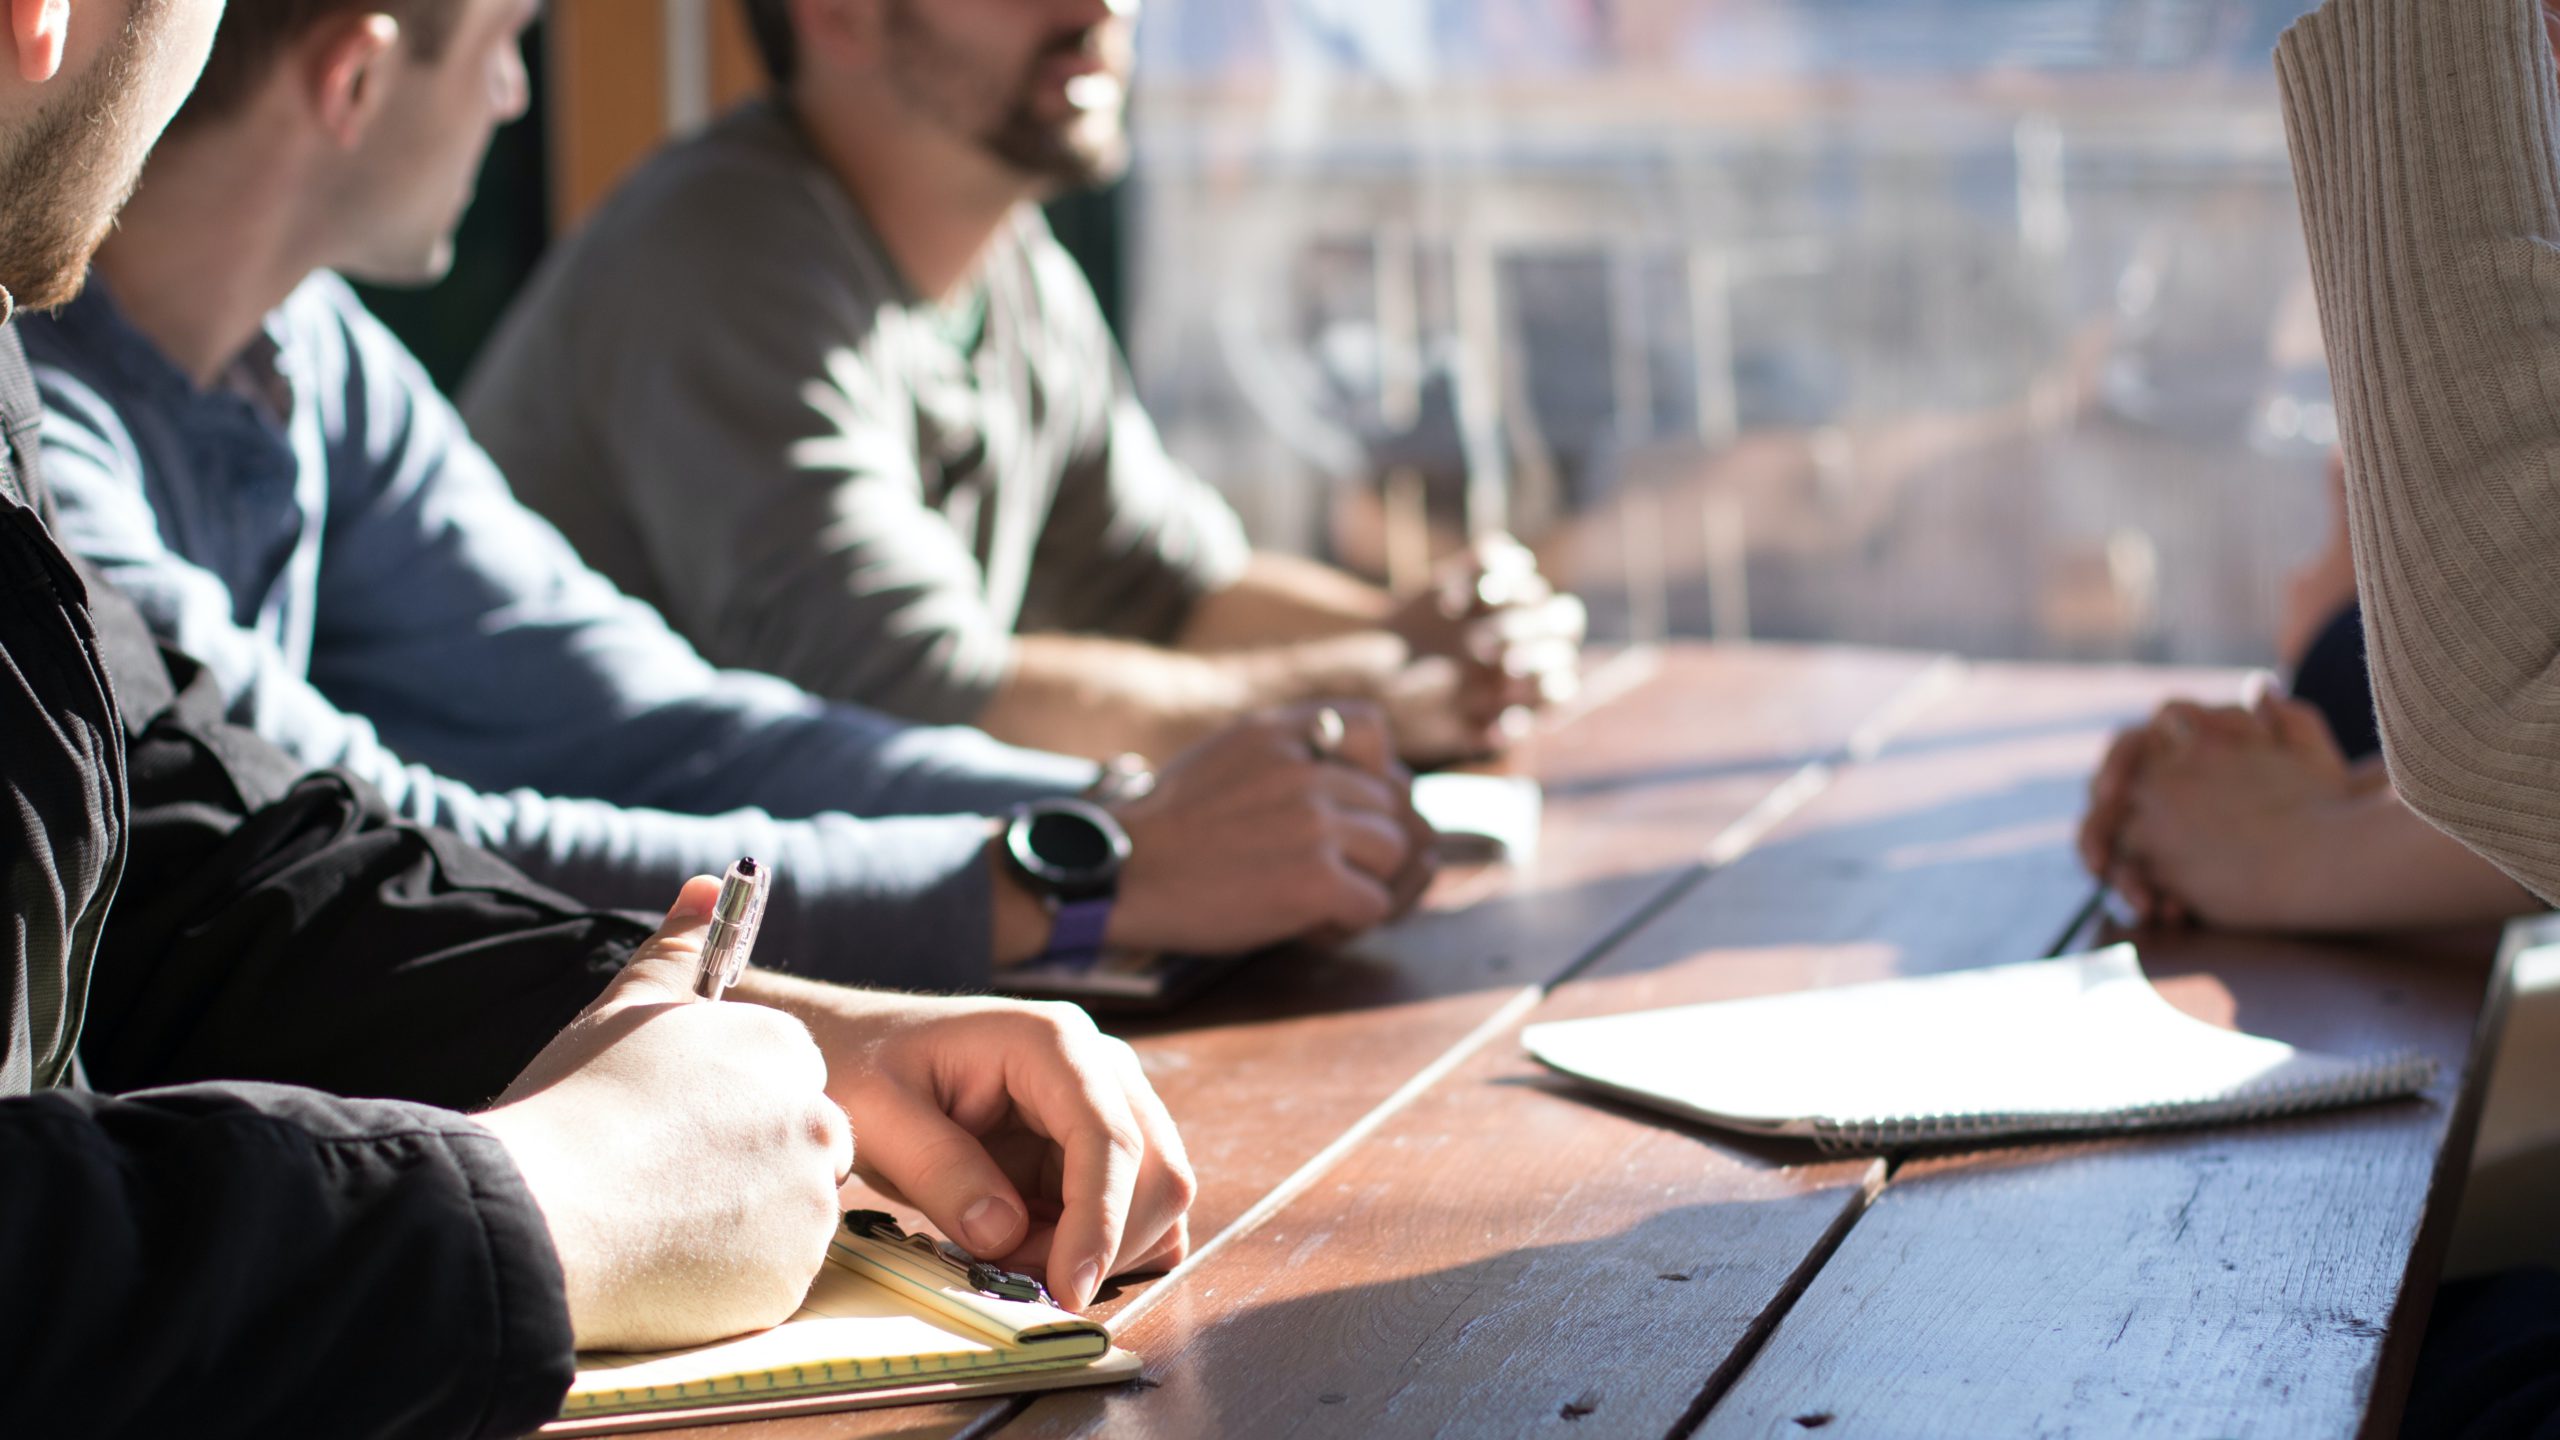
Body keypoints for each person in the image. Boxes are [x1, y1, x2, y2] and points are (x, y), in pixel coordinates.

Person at [4, 5, 1191, 1431]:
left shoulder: (253, 355)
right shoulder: (723, 245)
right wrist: (541, 1203)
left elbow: (205, 859)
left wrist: (759, 1024)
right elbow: (881, 658)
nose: (519, 93)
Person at [26, 0, 1432, 993]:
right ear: (351, 82)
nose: (520, 97)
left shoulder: (308, 351)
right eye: (516, 40)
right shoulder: (44, 447)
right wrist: (1077, 872)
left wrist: (1112, 808)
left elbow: (648, 720)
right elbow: (366, 850)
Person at [461, 0, 1587, 769]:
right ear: (838, 13)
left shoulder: (1005, 258)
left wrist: (1429, 636)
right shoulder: (720, 256)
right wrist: (1371, 693)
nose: (1105, 6)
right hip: (595, 976)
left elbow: (1171, 588)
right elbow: (918, 701)